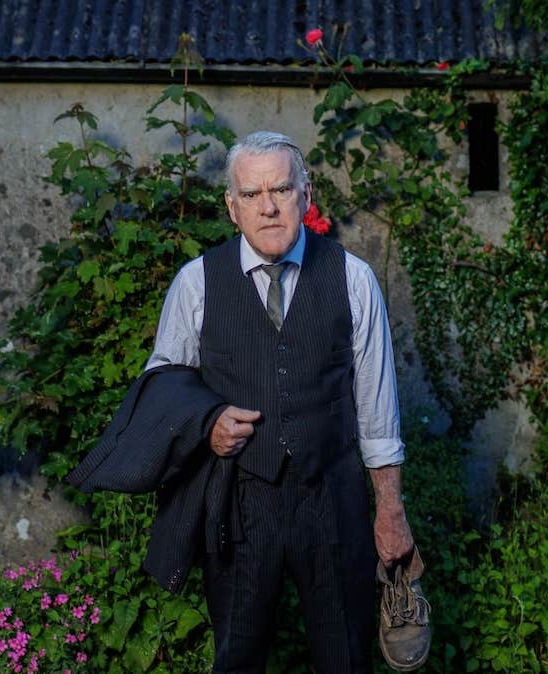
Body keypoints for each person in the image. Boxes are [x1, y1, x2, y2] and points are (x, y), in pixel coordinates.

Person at [143, 131, 430, 673]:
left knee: (345, 657)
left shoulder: (353, 278)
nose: (267, 206)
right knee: (237, 658)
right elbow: (163, 386)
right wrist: (206, 424)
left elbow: (377, 406)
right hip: (239, 502)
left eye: (280, 189)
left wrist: (390, 509)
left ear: (306, 193)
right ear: (232, 207)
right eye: (251, 194)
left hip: (333, 498)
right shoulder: (196, 283)